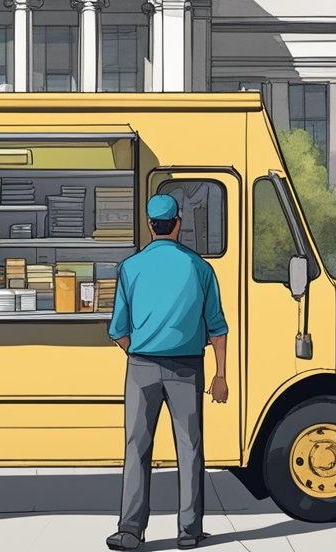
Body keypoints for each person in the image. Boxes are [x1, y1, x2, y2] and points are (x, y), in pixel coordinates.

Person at [107, 194, 229, 551]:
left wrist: (141, 352)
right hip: (187, 369)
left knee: (136, 448)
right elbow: (218, 329)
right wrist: (221, 376)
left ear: (150, 225)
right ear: (178, 222)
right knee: (190, 449)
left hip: (141, 368)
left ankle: (130, 529)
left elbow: (118, 330)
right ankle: (189, 531)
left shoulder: (130, 268)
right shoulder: (201, 268)